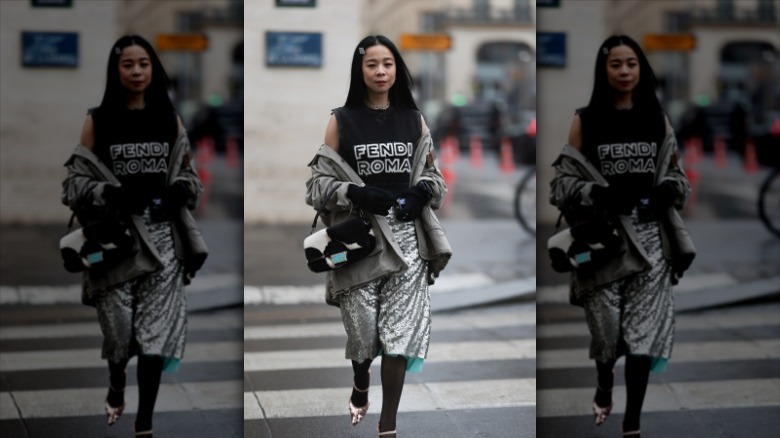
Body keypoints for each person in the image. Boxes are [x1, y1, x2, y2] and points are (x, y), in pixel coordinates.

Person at [305, 35, 452, 437]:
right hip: (358, 244)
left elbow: (433, 177)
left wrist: (419, 192)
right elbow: (315, 186)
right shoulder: (341, 119)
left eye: (387, 63)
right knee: (363, 335)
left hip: (408, 243)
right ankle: (359, 378)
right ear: (361, 70)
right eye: (372, 64)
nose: (381, 71)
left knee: (397, 338)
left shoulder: (414, 118)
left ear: (397, 68)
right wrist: (355, 192)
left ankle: (388, 426)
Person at [549, 35, 693, 437]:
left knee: (641, 337)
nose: (625, 71)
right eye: (616, 64)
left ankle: (632, 423)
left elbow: (677, 176)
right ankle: (604, 379)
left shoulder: (657, 117)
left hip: (652, 244)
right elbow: (560, 184)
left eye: (632, 63)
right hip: (603, 244)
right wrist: (598, 192)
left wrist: (667, 190)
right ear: (604, 69)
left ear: (641, 68)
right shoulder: (585, 119)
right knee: (607, 333)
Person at [62, 35, 205, 437]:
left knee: (153, 338)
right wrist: (110, 192)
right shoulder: (97, 119)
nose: (138, 71)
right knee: (119, 334)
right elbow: (73, 183)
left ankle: (144, 424)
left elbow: (189, 177)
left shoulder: (169, 118)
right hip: (114, 245)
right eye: (129, 64)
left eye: (144, 63)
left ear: (153, 68)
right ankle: (115, 378)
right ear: (116, 69)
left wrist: (179, 190)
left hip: (164, 245)